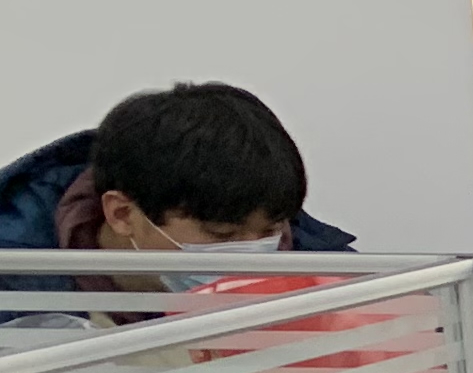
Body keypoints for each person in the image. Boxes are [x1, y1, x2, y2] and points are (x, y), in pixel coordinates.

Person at [0, 81, 351, 253]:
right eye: (222, 236)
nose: (254, 256)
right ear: (122, 214)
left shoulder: (328, 272)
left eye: (270, 232)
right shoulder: (16, 279)